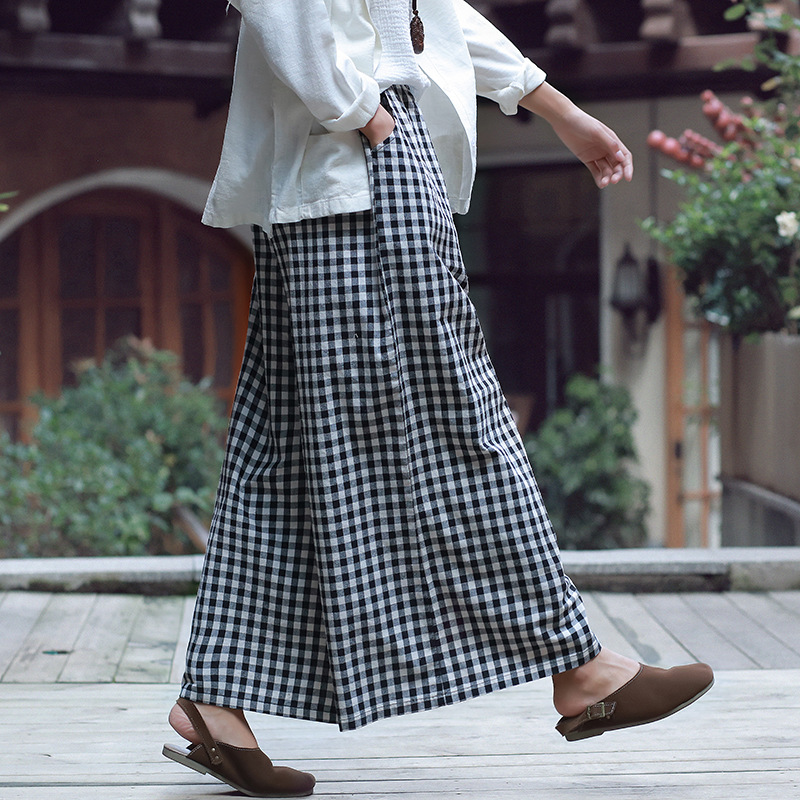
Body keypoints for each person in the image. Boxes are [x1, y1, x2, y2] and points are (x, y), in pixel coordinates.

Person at [162, 1, 714, 796]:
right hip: (355, 166)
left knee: (286, 449)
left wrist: (555, 107)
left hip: (360, 157)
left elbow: (426, 13)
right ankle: (583, 667)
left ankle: (216, 697)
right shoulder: (366, 128)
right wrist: (374, 124)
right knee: (460, 426)